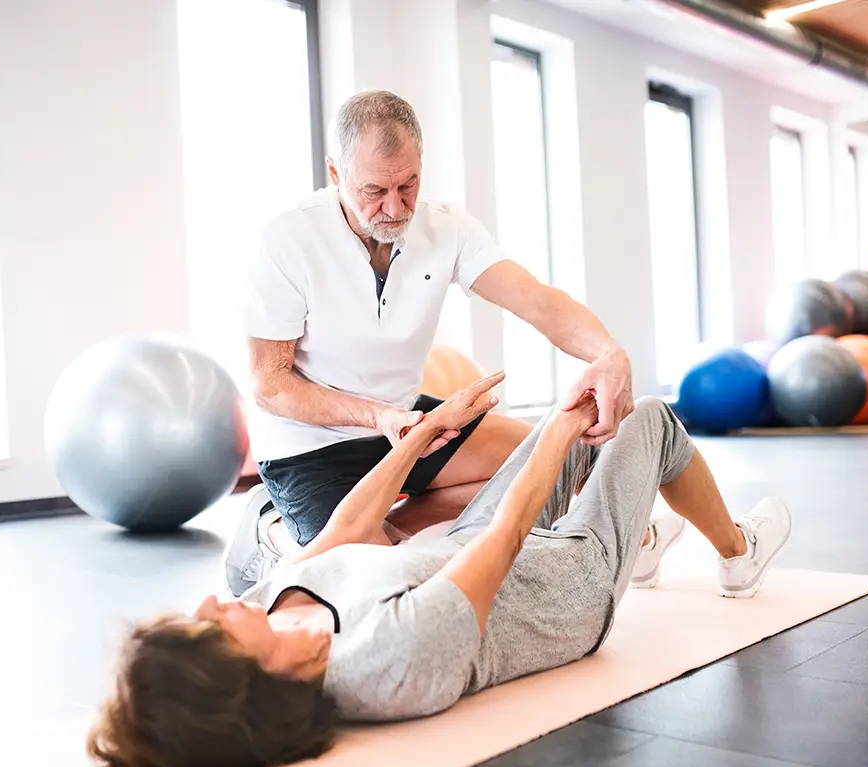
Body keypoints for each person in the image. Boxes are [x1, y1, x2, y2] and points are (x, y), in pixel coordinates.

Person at [87, 374, 793, 767]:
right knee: (647, 419)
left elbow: (346, 532)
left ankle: (644, 530)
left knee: (572, 436)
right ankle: (739, 552)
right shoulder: (389, 664)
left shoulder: (267, 614)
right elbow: (512, 537)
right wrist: (559, 426)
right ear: (237, 676)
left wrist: (424, 432)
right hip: (564, 579)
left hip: (462, 541)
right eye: (208, 625)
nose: (212, 601)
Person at [224, 88, 639, 595]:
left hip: (409, 424)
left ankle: (394, 525)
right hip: (309, 448)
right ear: (336, 174)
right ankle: (275, 532)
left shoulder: (447, 227)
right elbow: (269, 385)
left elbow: (535, 300)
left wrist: (608, 353)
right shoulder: (286, 241)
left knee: (562, 462)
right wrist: (380, 418)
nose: (395, 207)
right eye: (375, 190)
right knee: (376, 587)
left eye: (409, 184)